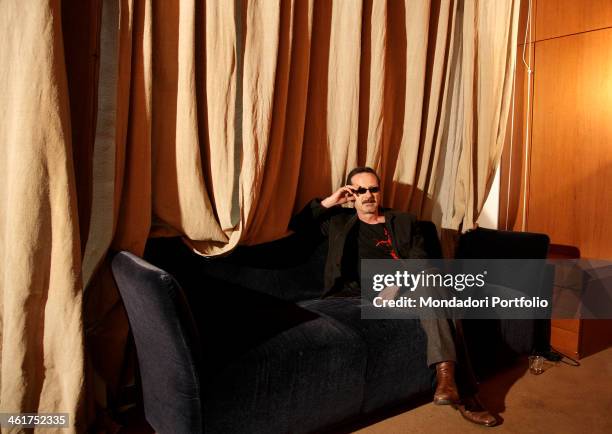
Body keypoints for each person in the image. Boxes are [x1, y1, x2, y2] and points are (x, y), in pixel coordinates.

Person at [290, 166, 497, 427]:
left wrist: (397, 283)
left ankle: (447, 380)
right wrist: (333, 200)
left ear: (381, 191)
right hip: (363, 293)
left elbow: (420, 259)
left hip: (408, 288)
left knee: (433, 281)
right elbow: (297, 225)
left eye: (373, 189)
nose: (368, 195)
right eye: (360, 190)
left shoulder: (404, 220)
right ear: (352, 194)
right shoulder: (338, 222)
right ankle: (465, 394)